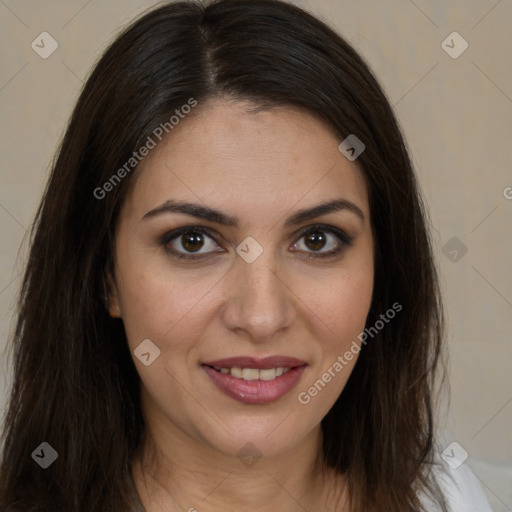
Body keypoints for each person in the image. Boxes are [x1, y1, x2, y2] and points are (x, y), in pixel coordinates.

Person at [0, 0, 493, 511]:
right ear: (106, 275)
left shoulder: (453, 499)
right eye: (193, 241)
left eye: (317, 239)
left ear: (382, 266)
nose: (261, 317)